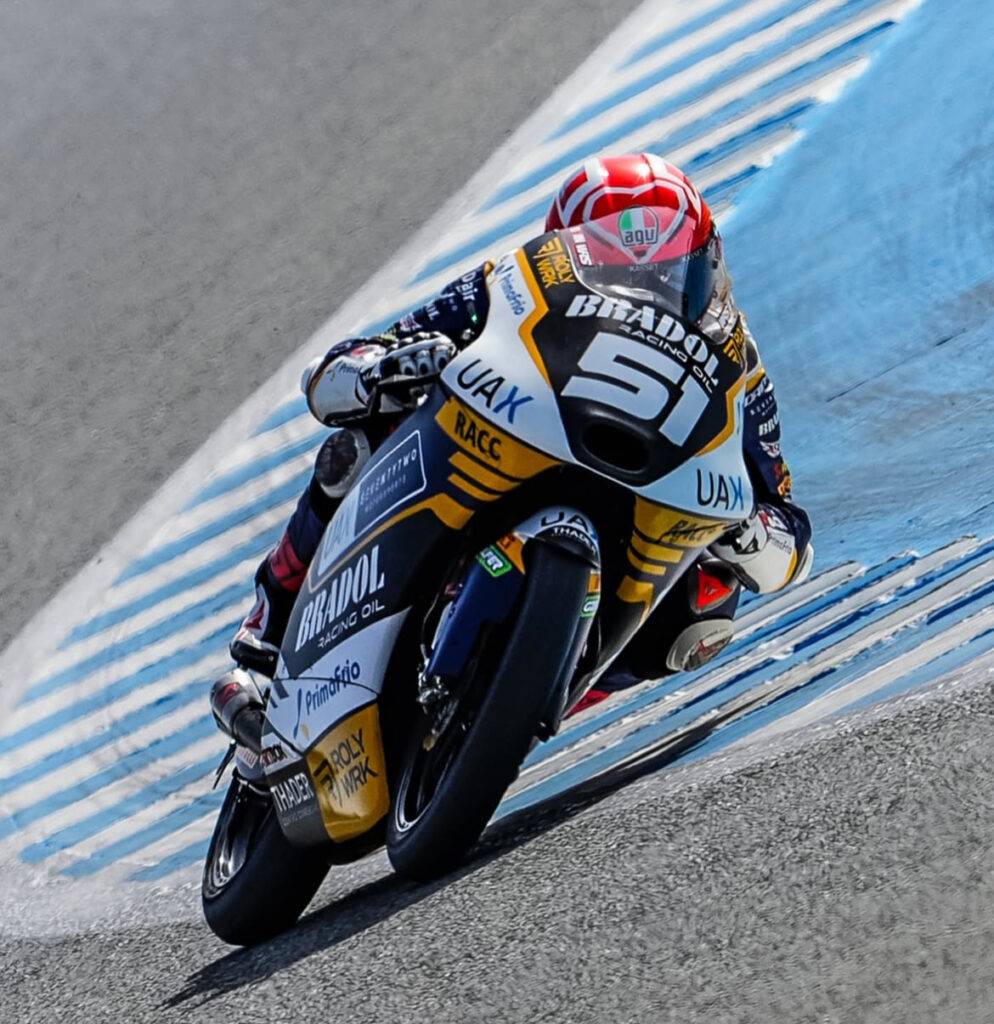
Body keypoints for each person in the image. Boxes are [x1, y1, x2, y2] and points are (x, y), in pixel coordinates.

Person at [226, 153, 813, 713]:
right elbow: (336, 372)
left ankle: (532, 697)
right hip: (501, 449)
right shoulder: (505, 285)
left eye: (664, 274)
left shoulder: (739, 369)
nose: (646, 297)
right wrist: (379, 371)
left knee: (710, 600)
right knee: (356, 444)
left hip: (640, 519)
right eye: (619, 273)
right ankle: (268, 630)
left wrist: (749, 530)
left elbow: (788, 531)